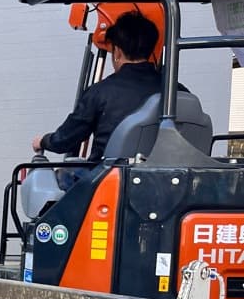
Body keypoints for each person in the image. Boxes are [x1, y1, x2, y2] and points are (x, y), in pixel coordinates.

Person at [31, 11, 166, 189]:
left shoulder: (100, 92)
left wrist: (43, 141)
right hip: (161, 183)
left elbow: (65, 140)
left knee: (55, 178)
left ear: (117, 52)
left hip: (107, 182)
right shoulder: (177, 92)